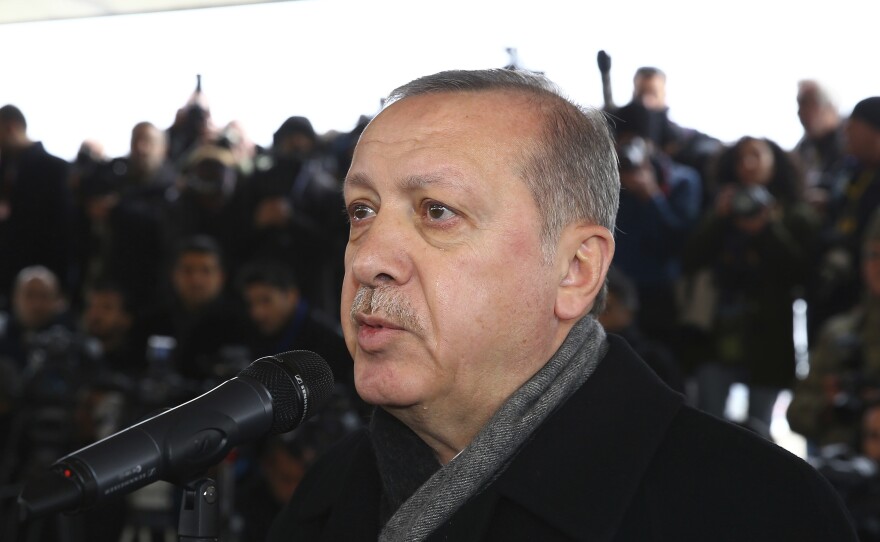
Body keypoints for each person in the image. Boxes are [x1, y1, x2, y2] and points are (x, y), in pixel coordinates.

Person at [266, 69, 856, 541]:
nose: (368, 260)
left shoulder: (754, 510)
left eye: (436, 211)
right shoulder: (325, 496)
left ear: (576, 270)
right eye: (361, 211)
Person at [682, 136, 820, 437]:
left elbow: (800, 273)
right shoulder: (721, 208)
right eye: (741, 158)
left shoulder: (796, 214)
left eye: (756, 156)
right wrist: (718, 219)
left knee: (761, 433)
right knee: (707, 427)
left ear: (775, 162)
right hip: (716, 335)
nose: (748, 165)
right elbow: (689, 259)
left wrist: (767, 229)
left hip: (768, 340)